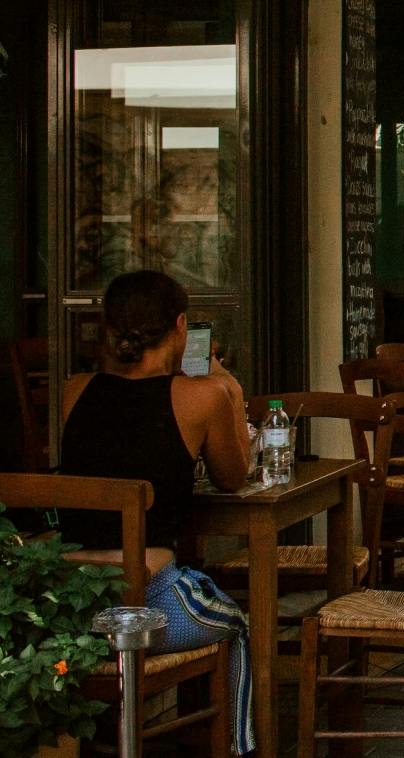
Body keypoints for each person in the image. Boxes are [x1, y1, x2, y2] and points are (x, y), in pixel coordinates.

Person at [56, 270, 257, 754]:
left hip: (72, 605)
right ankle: (237, 749)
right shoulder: (201, 395)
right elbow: (234, 475)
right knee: (238, 624)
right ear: (181, 326)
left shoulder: (74, 391)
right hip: (151, 605)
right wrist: (225, 381)